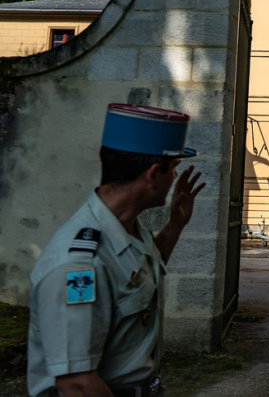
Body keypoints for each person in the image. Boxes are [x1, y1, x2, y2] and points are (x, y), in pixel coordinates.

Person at [27, 104, 206, 397]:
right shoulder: (79, 264)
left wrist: (176, 224)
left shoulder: (125, 226)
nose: (174, 178)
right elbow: (77, 384)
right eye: (173, 169)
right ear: (152, 174)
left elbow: (139, 274)